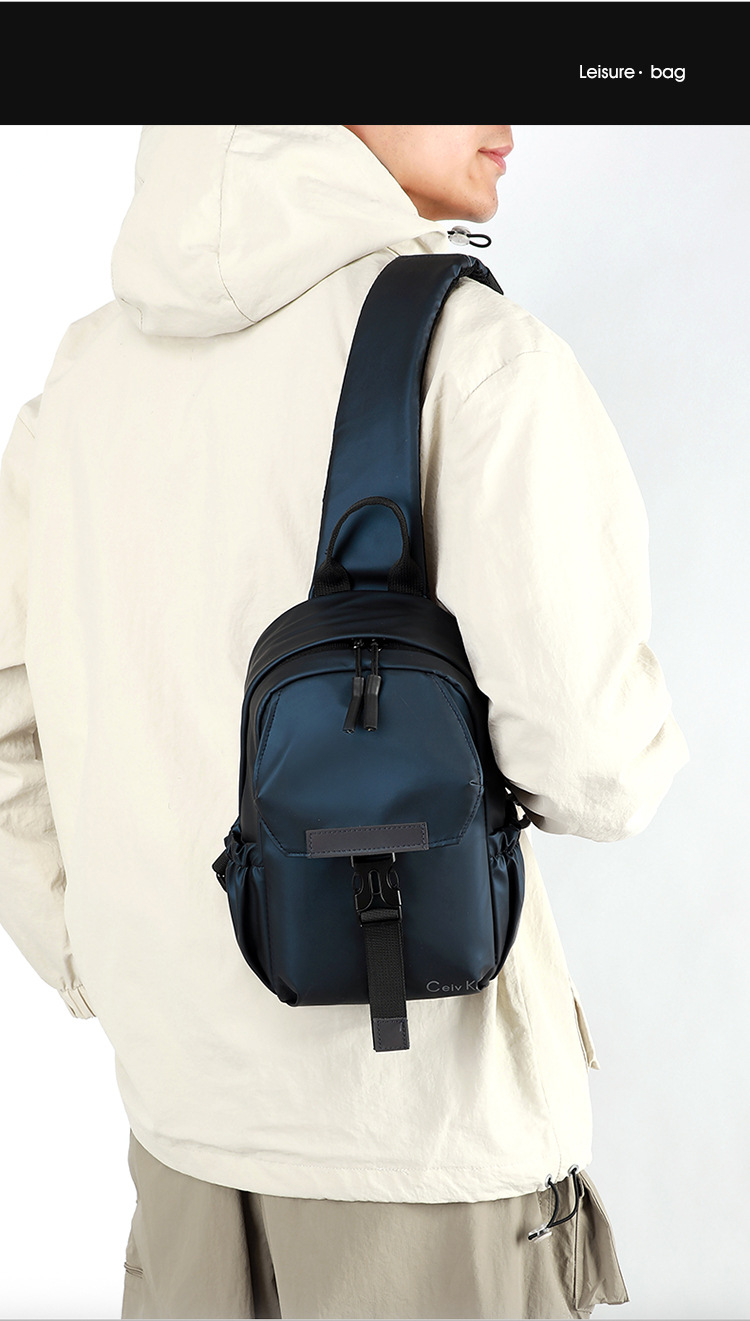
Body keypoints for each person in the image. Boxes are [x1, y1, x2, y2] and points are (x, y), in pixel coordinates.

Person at [0, 125, 688, 1320]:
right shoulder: (473, 359)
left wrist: (104, 954)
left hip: (179, 1138)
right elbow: (598, 770)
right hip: (423, 1152)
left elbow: (14, 726)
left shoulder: (82, 376)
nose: (508, 118)